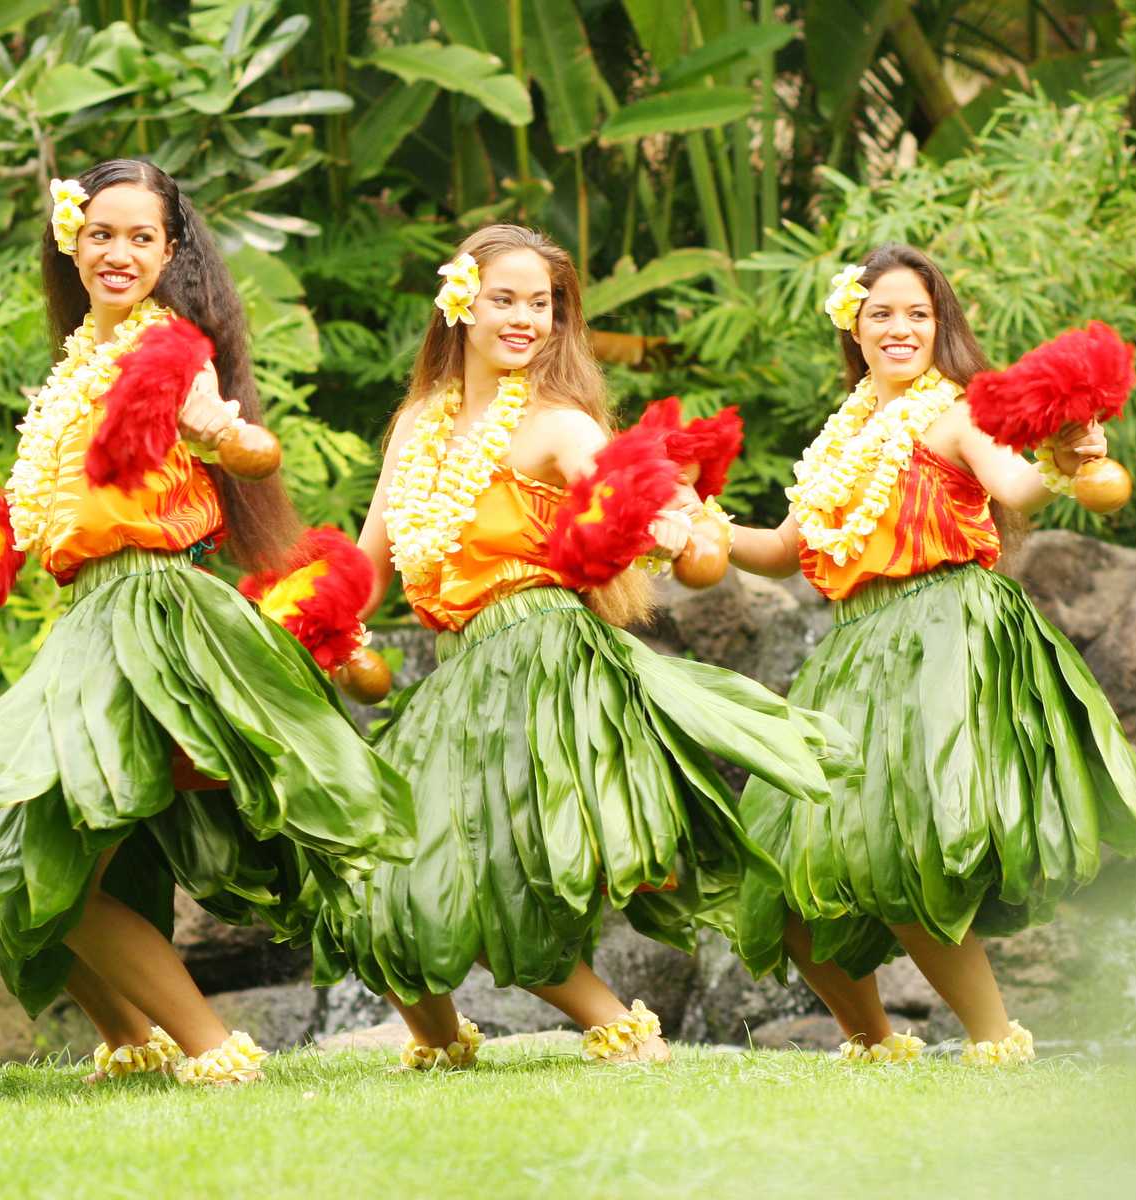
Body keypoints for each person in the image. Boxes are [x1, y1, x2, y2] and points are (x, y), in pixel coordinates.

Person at [0, 159, 413, 1086]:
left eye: (141, 237)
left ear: (171, 251)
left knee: (42, 846)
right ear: (72, 242)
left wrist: (221, 431)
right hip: (93, 619)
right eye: (101, 234)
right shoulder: (75, 369)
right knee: (23, 850)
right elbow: (44, 510)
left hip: (157, 614)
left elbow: (232, 437)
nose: (119, 252)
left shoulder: (171, 350)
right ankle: (135, 1040)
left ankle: (214, 1049)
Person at [311, 225, 852, 1068]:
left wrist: (675, 523)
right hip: (462, 675)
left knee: (505, 870)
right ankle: (444, 1046)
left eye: (543, 303)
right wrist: (316, 621)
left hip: (545, 664)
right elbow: (370, 560)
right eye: (505, 299)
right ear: (461, 302)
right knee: (380, 878)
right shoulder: (418, 423)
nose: (526, 318)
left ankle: (618, 1027)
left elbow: (631, 498)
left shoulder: (560, 426)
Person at [724, 243, 1136, 1065]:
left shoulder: (956, 413)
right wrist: (701, 525)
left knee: (900, 846)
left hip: (942, 638)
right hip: (856, 648)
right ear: (851, 327)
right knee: (783, 867)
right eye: (881, 313)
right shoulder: (841, 437)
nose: (899, 328)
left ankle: (996, 1040)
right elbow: (786, 549)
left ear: (941, 327)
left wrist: (1072, 454)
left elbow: (1017, 487)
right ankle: (876, 1045)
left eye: (918, 314)